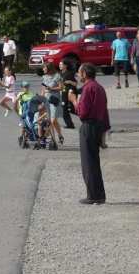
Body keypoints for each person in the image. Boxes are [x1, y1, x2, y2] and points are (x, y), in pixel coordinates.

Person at [69, 64, 109, 204]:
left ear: (84, 73)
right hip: (98, 126)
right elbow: (105, 112)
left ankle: (93, 195)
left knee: (88, 163)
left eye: (79, 73)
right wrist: (104, 134)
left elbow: (83, 112)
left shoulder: (88, 88)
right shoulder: (99, 87)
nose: (78, 76)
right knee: (94, 161)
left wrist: (74, 100)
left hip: (89, 126)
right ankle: (99, 194)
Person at [40, 62, 65, 145]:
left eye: (44, 68)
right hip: (47, 99)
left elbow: (61, 87)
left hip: (54, 99)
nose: (43, 69)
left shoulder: (57, 76)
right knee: (49, 121)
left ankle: (59, 135)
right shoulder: (44, 77)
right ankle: (53, 139)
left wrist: (51, 88)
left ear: (49, 68)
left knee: (53, 120)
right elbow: (43, 90)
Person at [59, 60, 77, 129]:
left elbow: (75, 83)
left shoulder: (69, 73)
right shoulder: (60, 74)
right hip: (64, 93)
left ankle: (86, 116)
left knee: (71, 109)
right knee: (65, 110)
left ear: (65, 66)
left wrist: (69, 82)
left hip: (70, 93)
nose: (60, 66)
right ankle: (70, 125)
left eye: (61, 64)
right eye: (59, 64)